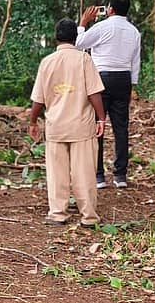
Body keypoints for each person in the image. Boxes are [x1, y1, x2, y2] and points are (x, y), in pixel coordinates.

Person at [29, 18, 106, 227]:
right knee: (84, 173)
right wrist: (101, 118)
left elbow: (38, 99)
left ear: (56, 38)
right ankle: (88, 216)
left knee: (57, 174)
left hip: (55, 126)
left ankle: (57, 214)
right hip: (81, 125)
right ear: (75, 38)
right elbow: (94, 93)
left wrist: (33, 121)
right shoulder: (84, 60)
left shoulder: (47, 62)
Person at [76, 0, 141, 189]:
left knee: (98, 125)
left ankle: (98, 176)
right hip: (123, 79)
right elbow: (135, 61)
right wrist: (133, 85)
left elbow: (79, 44)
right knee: (121, 128)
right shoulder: (134, 32)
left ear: (110, 9)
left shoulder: (102, 27)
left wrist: (83, 22)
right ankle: (120, 176)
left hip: (101, 78)